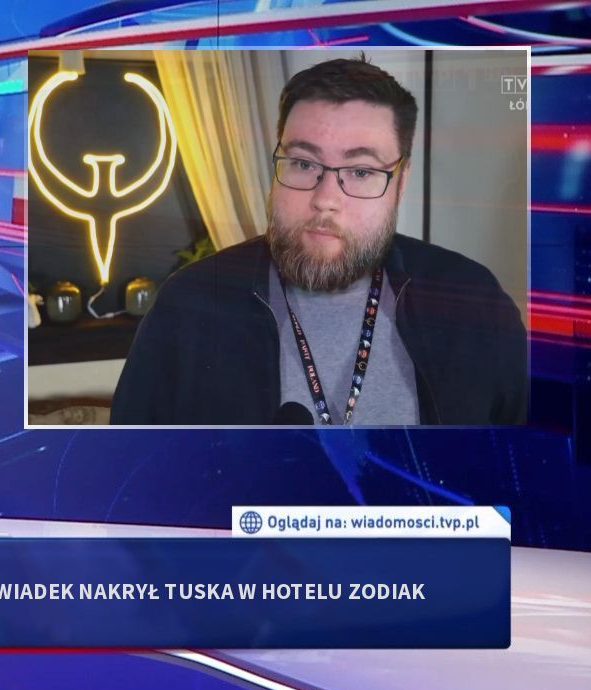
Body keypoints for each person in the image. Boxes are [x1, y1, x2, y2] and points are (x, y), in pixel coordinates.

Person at [112, 57, 526, 426]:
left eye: (361, 171)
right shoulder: (187, 306)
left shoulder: (473, 301)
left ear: (400, 183)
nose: (325, 199)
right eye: (303, 163)